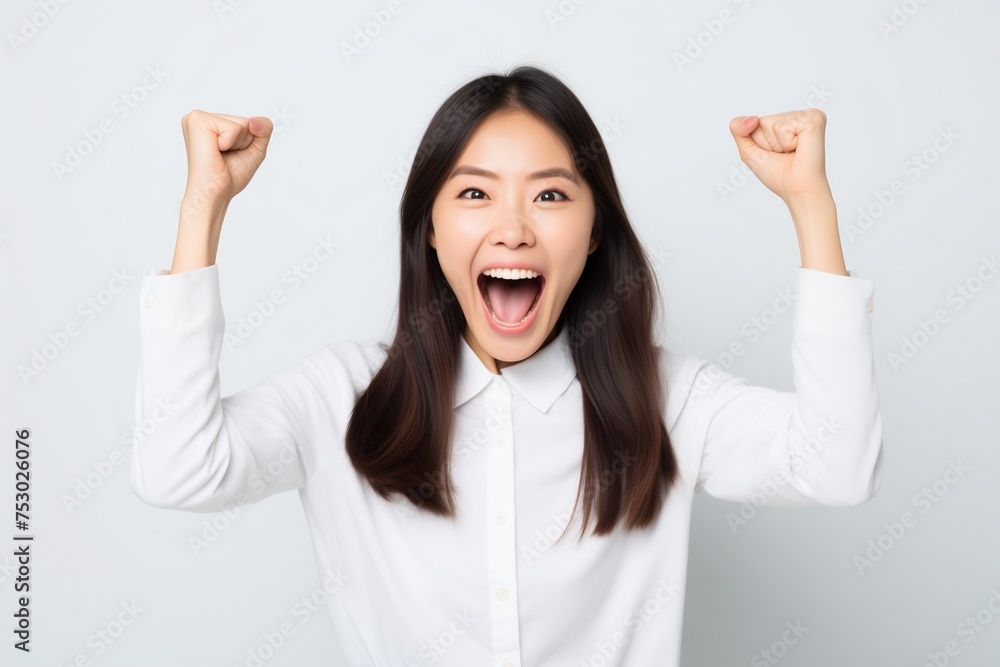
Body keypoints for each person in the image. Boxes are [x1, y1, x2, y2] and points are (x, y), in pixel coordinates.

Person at [130, 64, 883, 666]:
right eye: (475, 194)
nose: (514, 228)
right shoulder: (341, 398)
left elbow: (835, 467)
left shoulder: (668, 399)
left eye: (551, 194)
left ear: (594, 234)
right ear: (430, 229)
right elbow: (177, 467)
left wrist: (809, 202)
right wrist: (204, 203)